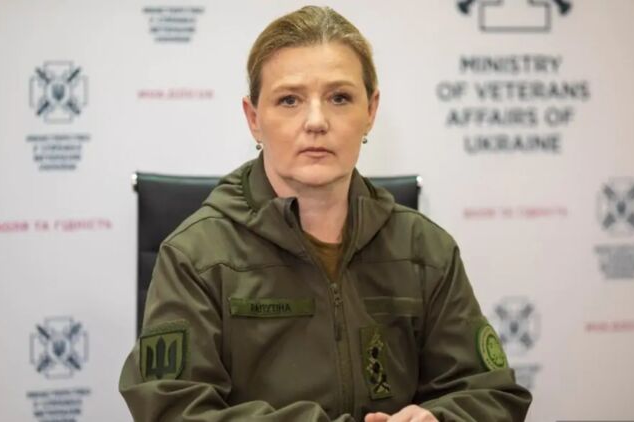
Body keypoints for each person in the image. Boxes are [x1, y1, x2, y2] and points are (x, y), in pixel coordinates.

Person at [119, 5, 532, 421]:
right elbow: (172, 410)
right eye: (289, 100)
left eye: (339, 98)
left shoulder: (425, 250)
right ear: (254, 119)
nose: (316, 121)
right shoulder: (195, 257)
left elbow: (492, 396)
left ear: (370, 111)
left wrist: (439, 420)